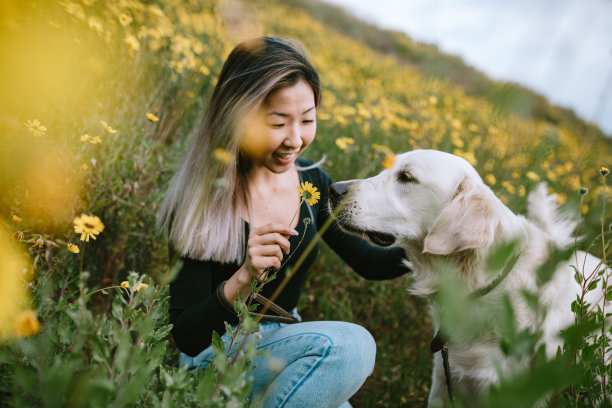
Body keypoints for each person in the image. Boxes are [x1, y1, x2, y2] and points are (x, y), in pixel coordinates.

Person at [156, 36, 409, 408]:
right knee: (352, 347)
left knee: (340, 363)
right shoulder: (202, 199)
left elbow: (370, 263)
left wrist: (435, 241)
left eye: (308, 120)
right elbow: (188, 338)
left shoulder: (312, 183)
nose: (296, 139)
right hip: (215, 357)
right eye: (278, 123)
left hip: (286, 346)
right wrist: (242, 278)